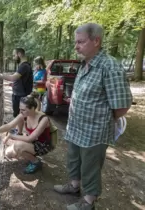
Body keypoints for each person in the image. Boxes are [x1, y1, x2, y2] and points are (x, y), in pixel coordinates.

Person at [53, 23, 133, 210]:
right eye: (76, 42)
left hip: (94, 132)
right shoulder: (85, 64)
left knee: (90, 166)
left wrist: (101, 121)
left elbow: (121, 106)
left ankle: (88, 201)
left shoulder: (110, 67)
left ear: (96, 41)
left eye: (80, 42)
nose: (76, 46)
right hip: (76, 128)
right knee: (74, 160)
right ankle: (73, 186)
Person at [0, 95, 53, 174]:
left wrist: (11, 136)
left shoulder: (44, 119)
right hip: (32, 142)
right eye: (20, 109)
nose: (20, 112)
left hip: (42, 145)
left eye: (23, 110)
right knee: (6, 147)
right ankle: (26, 153)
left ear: (33, 108)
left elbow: (30, 138)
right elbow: (8, 126)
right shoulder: (24, 115)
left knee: (17, 146)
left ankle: (35, 162)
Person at [0, 48, 33, 134]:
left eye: (14, 55)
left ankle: (19, 132)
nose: (13, 57)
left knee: (19, 115)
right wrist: (14, 85)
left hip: (20, 95)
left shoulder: (24, 66)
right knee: (19, 115)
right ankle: (18, 131)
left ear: (19, 54)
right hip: (19, 94)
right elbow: (21, 80)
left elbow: (13, 78)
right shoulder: (24, 65)